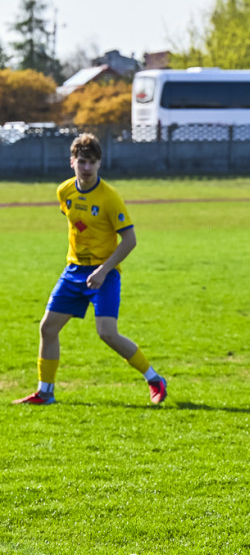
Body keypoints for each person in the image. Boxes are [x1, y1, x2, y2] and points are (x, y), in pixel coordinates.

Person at [13, 133, 167, 406]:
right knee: (47, 328)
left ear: (99, 164)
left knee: (107, 333)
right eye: (82, 161)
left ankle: (154, 379)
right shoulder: (64, 191)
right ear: (72, 161)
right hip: (74, 271)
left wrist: (104, 270)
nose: (86, 168)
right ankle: (45, 392)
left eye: (92, 162)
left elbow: (130, 240)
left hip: (104, 274)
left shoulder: (110, 198)